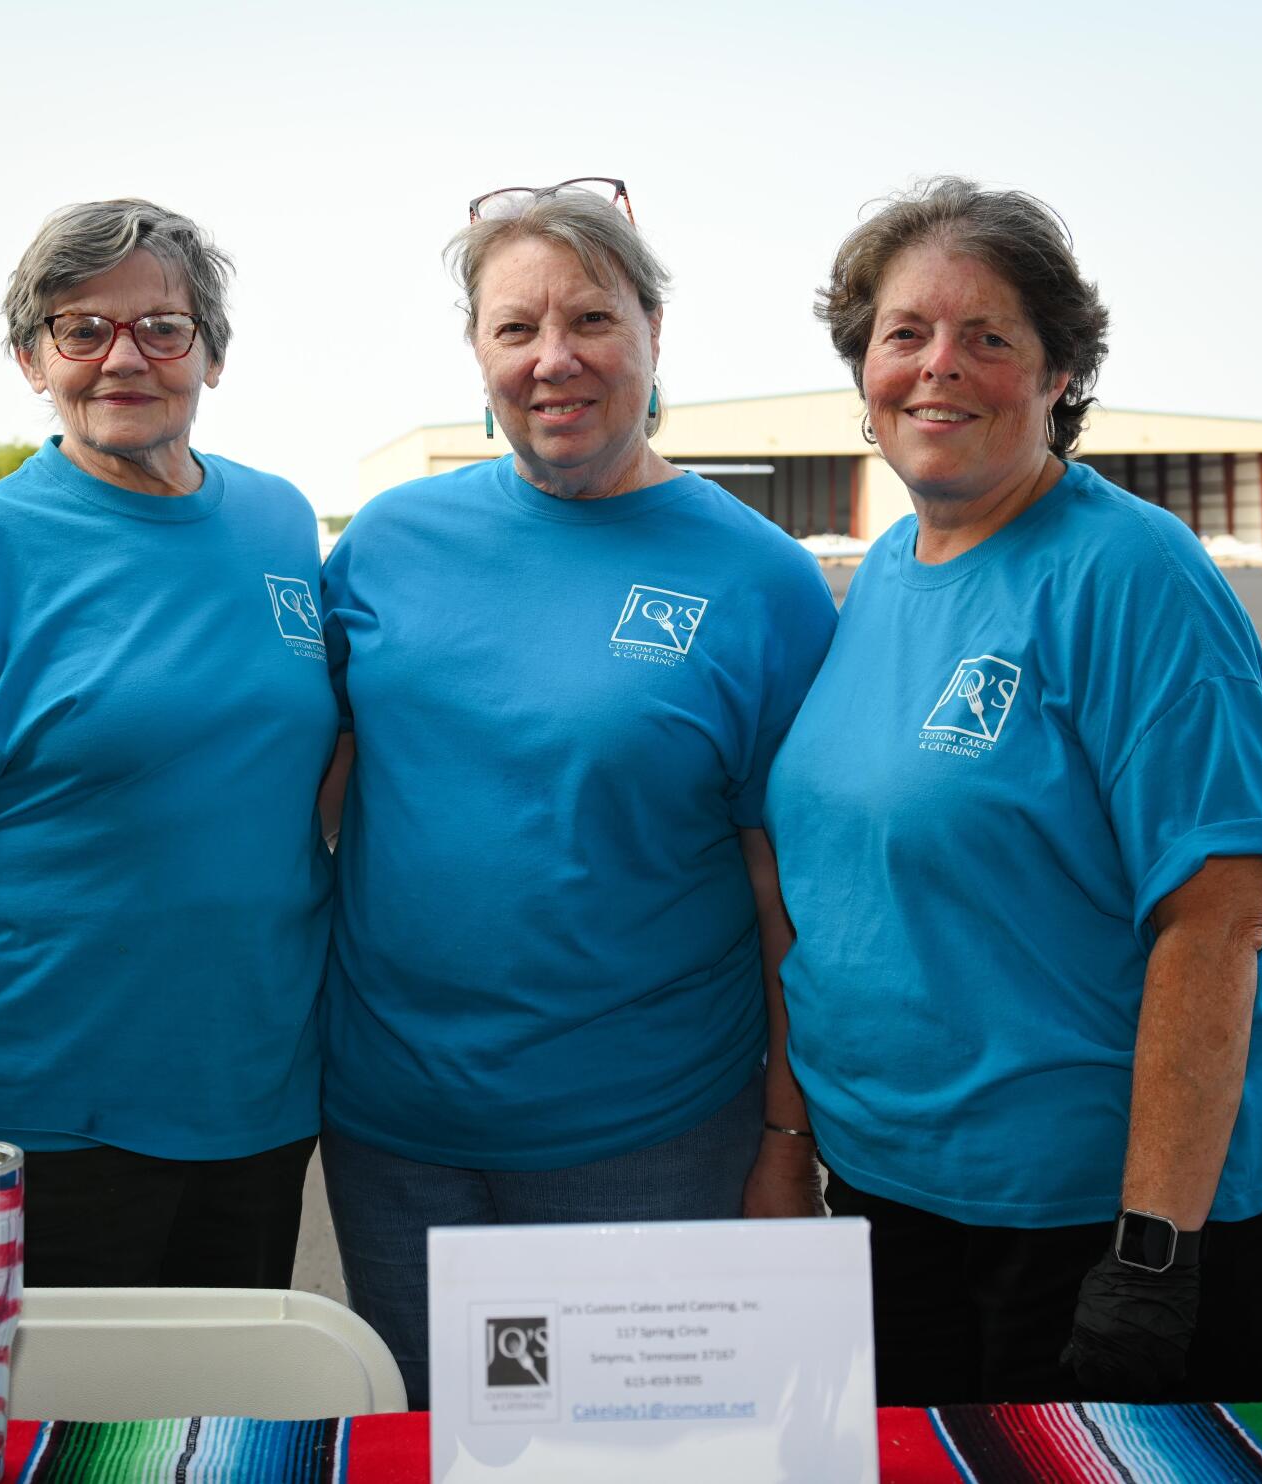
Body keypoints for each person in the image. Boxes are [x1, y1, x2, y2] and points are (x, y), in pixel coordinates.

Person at [761, 178, 1262, 1406]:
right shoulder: (888, 578)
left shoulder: (1131, 574)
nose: (937, 366)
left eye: (989, 336)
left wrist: (1154, 1247)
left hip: (1087, 1230)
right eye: (902, 334)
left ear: (1061, 371)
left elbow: (1219, 914)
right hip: (896, 1201)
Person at [317, 179, 838, 1406]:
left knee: (627, 1446)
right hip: (394, 1135)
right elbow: (304, 789)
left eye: (592, 320)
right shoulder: (387, 543)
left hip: (645, 1138)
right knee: (434, 1438)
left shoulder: (761, 581)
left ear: (656, 334)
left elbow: (793, 899)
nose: (555, 359)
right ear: (478, 353)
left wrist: (784, 1141)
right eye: (515, 328)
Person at [0, 199, 334, 1286]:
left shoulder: (283, 524)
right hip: (46, 1133)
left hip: (257, 1110)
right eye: (80, 327)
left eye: (163, 326)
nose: (124, 357)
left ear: (211, 354)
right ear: (31, 358)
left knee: (218, 1439)